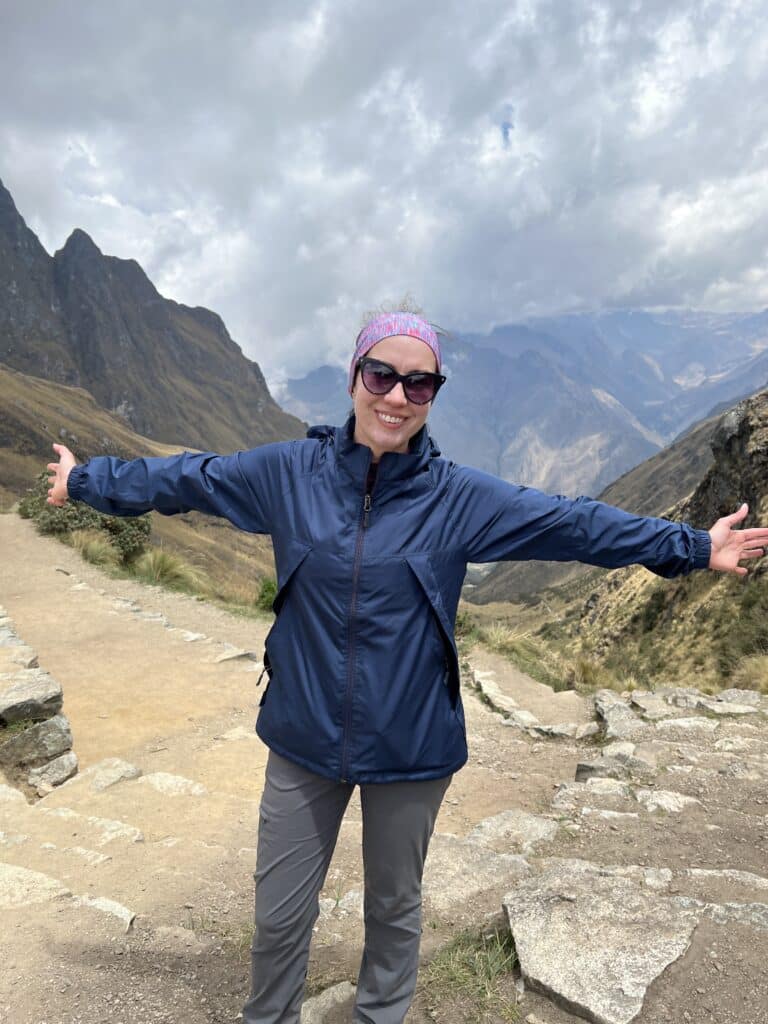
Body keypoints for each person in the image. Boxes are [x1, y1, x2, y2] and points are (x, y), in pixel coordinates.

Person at [46, 310, 768, 1024]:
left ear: (433, 394)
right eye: (381, 375)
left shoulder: (458, 499)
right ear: (355, 376)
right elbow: (189, 480)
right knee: (278, 913)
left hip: (413, 741)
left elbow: (571, 523)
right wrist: (86, 484)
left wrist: (693, 548)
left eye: (417, 385)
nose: (395, 397)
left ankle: (379, 1017)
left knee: (394, 906)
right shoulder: (286, 474)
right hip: (301, 734)